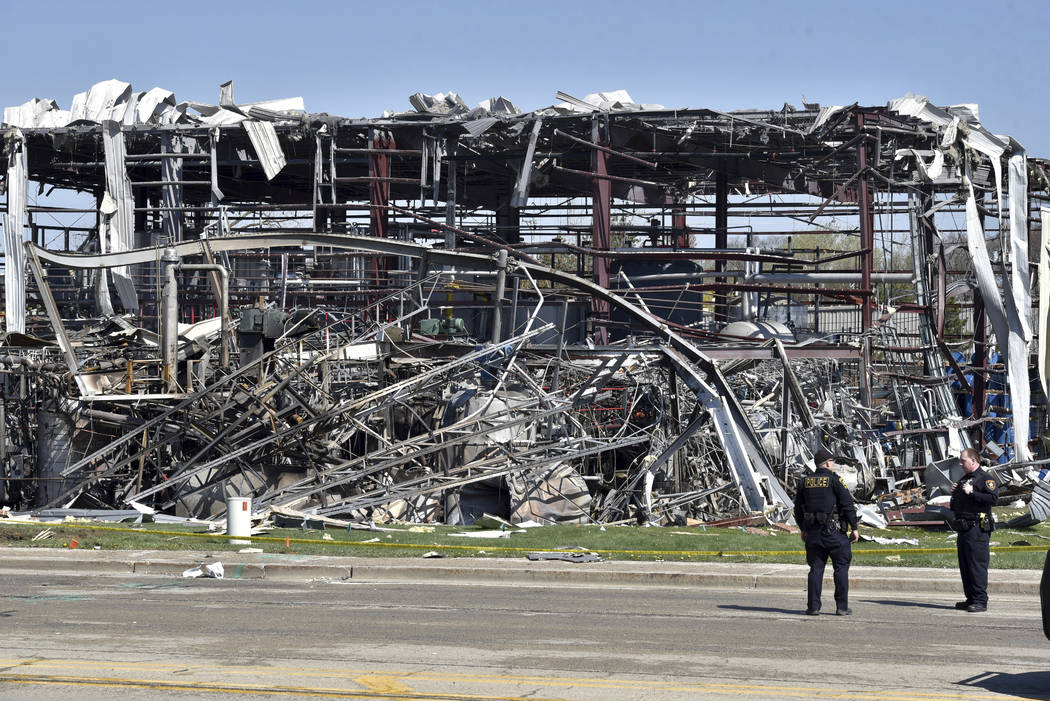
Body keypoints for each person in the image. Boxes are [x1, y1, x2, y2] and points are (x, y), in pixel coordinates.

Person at [794, 446, 859, 616]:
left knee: (816, 569)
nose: (833, 464)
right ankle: (842, 607)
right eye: (832, 461)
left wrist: (803, 529)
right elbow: (848, 506)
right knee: (841, 568)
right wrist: (855, 528)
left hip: (813, 534)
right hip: (834, 533)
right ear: (828, 463)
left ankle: (813, 607)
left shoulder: (804, 482)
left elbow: (798, 510)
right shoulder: (835, 481)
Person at [949, 447, 998, 612]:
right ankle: (970, 598)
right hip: (963, 528)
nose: (960, 463)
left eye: (963, 460)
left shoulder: (985, 479)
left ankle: (980, 600)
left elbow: (993, 499)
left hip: (977, 529)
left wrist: (972, 494)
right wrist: (955, 494)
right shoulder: (964, 479)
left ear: (973, 461)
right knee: (965, 565)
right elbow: (955, 505)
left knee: (977, 565)